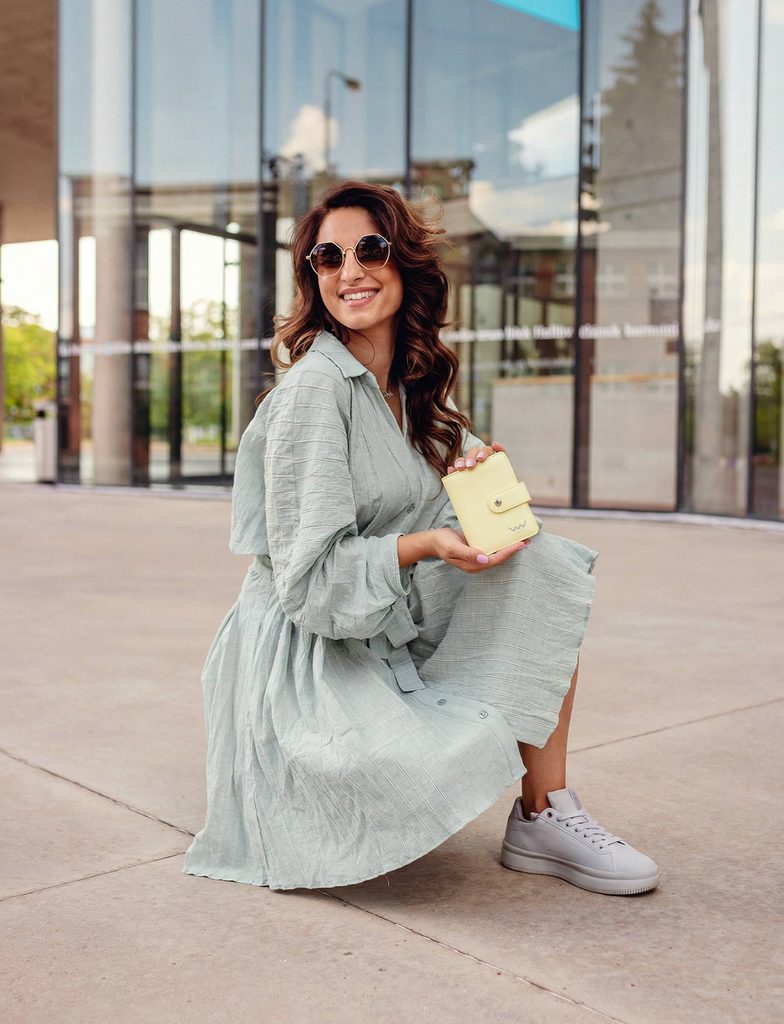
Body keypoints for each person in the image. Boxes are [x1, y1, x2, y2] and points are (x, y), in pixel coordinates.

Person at [183, 180, 659, 897]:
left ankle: (544, 813)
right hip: (307, 647)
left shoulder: (410, 387)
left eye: (370, 249)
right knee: (401, 777)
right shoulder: (315, 391)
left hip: (382, 611)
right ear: (314, 277)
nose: (350, 271)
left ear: (403, 263)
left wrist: (480, 491)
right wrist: (429, 546)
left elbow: (459, 507)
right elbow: (309, 584)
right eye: (328, 257)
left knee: (540, 568)